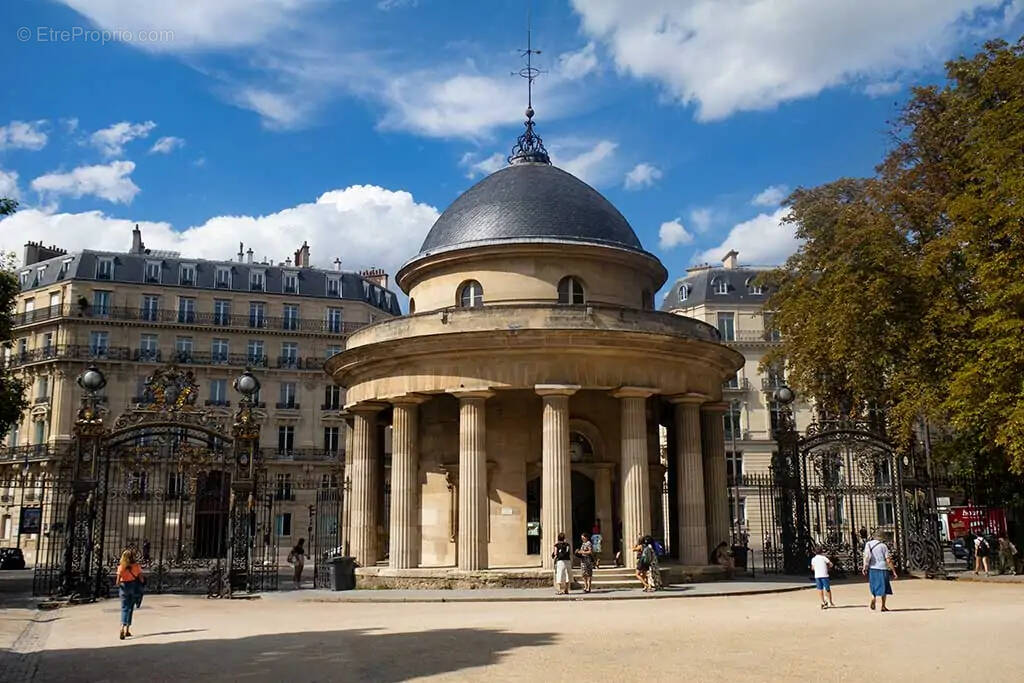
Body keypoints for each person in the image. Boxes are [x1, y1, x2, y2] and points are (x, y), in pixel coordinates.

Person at [862, 532, 897, 611]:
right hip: (882, 568)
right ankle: (883, 606)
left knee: (873, 585)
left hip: (872, 568)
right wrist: (893, 571)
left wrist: (865, 567)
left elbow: (866, 556)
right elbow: (888, 559)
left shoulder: (868, 544)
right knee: (884, 587)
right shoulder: (883, 546)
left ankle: (873, 597)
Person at [116, 548, 145, 640]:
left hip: (123, 587)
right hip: (133, 587)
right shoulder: (136, 566)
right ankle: (127, 629)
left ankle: (122, 627)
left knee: (124, 608)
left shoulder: (121, 567)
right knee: (130, 608)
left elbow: (117, 582)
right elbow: (141, 579)